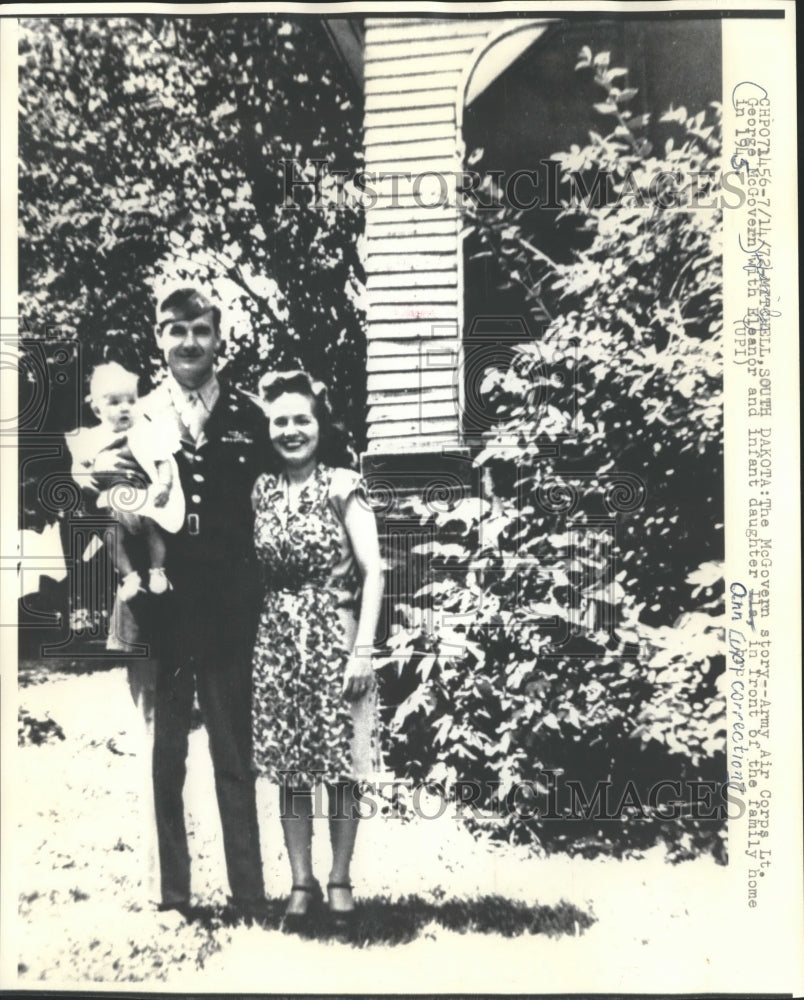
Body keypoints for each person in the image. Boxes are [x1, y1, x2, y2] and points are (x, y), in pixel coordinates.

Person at [88, 288, 272, 919]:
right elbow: (100, 482)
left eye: (199, 329)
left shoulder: (252, 414)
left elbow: (285, 486)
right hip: (158, 604)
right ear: (158, 338)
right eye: (175, 331)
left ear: (219, 337)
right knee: (162, 757)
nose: (188, 342)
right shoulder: (135, 417)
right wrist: (128, 504)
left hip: (229, 604)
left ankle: (249, 893)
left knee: (233, 752)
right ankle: (171, 896)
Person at [251, 370, 384, 930]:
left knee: (343, 769)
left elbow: (374, 569)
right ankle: (301, 881)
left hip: (336, 634)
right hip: (279, 640)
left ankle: (340, 880)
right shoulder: (260, 489)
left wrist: (363, 649)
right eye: (279, 420)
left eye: (300, 418)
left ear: (319, 423)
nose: (290, 430)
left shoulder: (341, 485)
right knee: (291, 766)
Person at [69, 361, 184, 603]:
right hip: (113, 503)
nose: (125, 408)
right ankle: (129, 576)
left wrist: (164, 486)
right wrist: (81, 478)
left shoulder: (146, 431)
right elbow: (79, 464)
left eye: (131, 401)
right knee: (112, 537)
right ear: (97, 409)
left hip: (144, 498)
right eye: (115, 402)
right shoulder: (92, 438)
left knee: (153, 530)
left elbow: (163, 460)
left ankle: (157, 570)